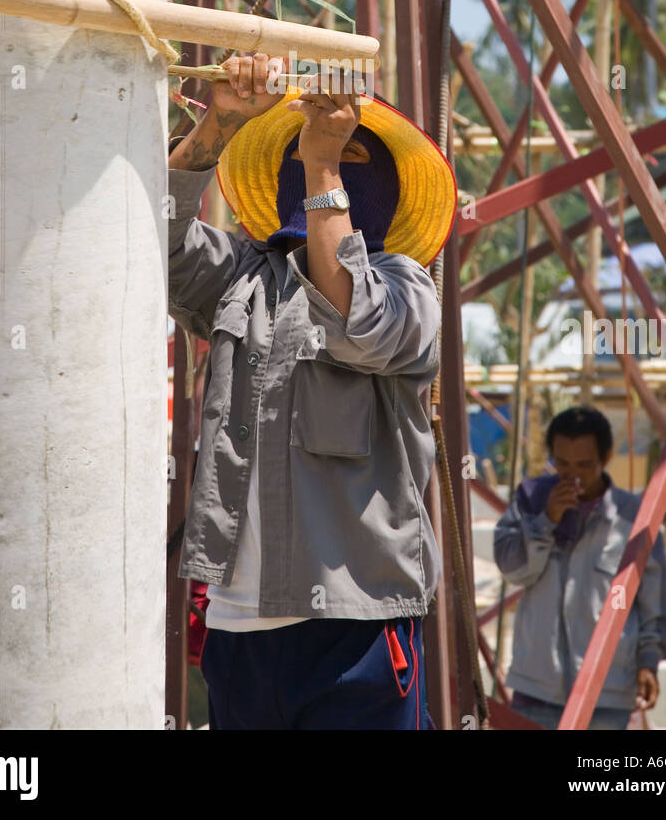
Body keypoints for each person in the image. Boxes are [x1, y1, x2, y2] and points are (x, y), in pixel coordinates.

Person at [166, 52, 457, 730]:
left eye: (346, 154)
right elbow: (147, 241)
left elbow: (356, 317)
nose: (320, 159)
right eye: (305, 153)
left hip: (353, 626)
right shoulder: (246, 277)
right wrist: (218, 127)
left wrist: (324, 168)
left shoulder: (408, 289)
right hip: (239, 628)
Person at [493, 405, 666, 731]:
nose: (572, 475)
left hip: (606, 695)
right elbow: (512, 570)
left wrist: (648, 662)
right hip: (537, 690)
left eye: (583, 465)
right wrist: (545, 521)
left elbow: (654, 603)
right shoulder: (531, 500)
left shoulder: (634, 516)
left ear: (605, 457)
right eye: (562, 464)